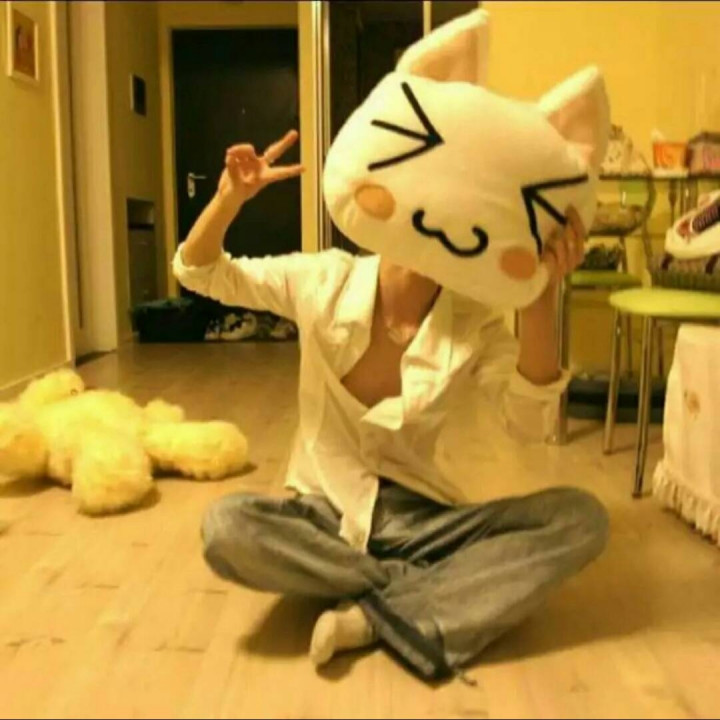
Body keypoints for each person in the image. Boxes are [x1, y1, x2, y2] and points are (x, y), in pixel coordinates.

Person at [173, 130, 609, 683]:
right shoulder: (324, 279)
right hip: (323, 515)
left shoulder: (473, 319)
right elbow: (200, 271)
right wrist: (228, 199)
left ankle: (372, 613)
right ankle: (420, 592)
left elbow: (528, 420)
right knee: (226, 527)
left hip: (421, 517)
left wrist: (541, 293)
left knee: (579, 518)